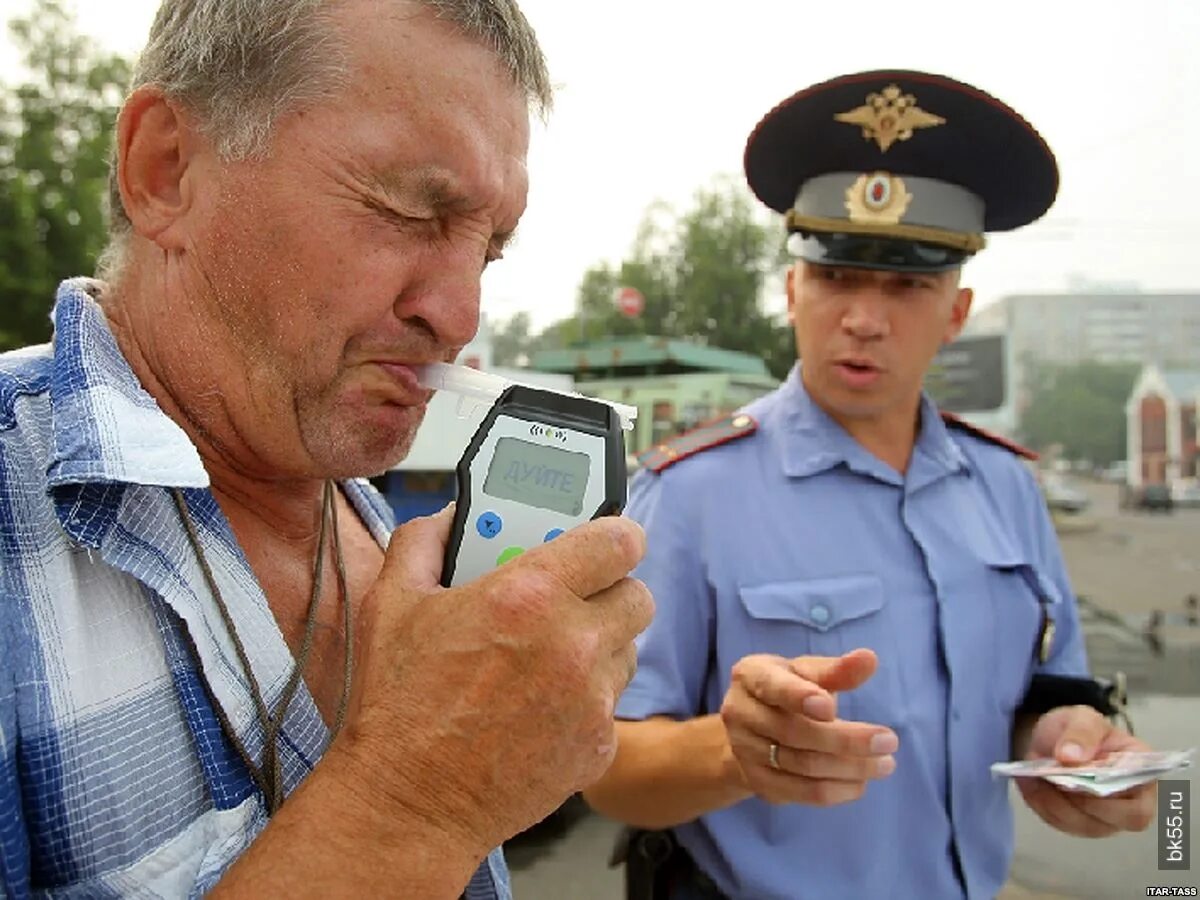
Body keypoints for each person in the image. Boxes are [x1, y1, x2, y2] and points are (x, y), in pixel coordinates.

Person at [0, 1, 653, 897]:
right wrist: (419, 799)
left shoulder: (366, 513)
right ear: (166, 170)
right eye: (408, 210)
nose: (460, 317)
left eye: (490, 250)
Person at [584, 70, 1156, 900]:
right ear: (792, 291)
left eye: (907, 284)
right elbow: (608, 767)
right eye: (837, 276)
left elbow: (1046, 687)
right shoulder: (690, 492)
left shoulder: (1005, 486)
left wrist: (1070, 740)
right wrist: (737, 750)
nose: (863, 317)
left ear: (955, 315)